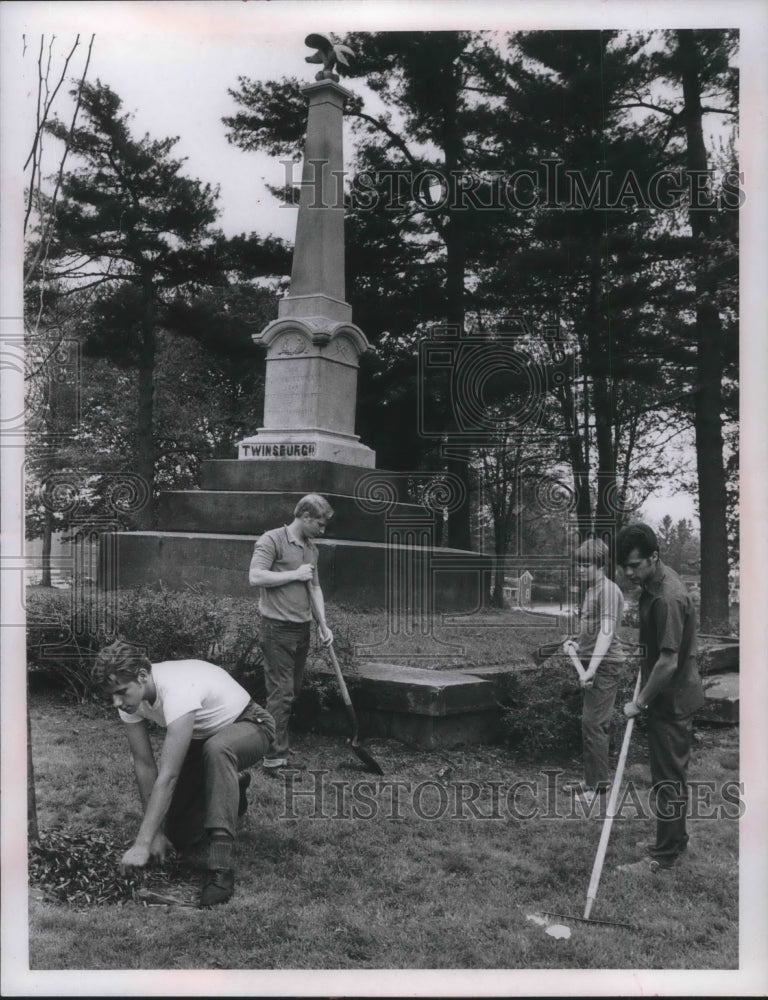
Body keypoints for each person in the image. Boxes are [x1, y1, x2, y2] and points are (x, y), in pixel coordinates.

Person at [92, 640, 276, 907]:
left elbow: (168, 775)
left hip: (250, 724)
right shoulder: (130, 701)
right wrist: (154, 834)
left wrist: (140, 845)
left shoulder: (176, 689)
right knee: (178, 836)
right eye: (112, 695)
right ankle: (232, 787)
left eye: (121, 692)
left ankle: (220, 869)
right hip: (202, 741)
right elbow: (144, 764)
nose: (116, 702)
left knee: (218, 750)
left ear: (143, 676)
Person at [614, 522, 706, 874]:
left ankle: (663, 856)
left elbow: (668, 662)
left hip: (672, 699)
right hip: (667, 695)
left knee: (669, 779)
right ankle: (674, 840)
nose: (627, 573)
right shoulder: (652, 584)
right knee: (669, 776)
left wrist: (639, 703)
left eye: (634, 565)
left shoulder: (668, 597)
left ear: (654, 557)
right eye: (624, 566)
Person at [249, 494, 334, 770]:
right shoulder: (271, 540)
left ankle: (277, 744)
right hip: (277, 629)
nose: (322, 531)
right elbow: (256, 576)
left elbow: (316, 587)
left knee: (291, 691)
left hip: (302, 628)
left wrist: (323, 624)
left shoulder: (312, 548)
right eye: (319, 525)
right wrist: (294, 574)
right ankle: (274, 757)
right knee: (281, 693)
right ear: (305, 517)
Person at [561, 538, 626, 806]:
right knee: (589, 723)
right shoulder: (591, 590)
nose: (580, 570)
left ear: (600, 565)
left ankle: (598, 788)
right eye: (578, 565)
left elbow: (607, 632)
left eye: (585, 565)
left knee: (594, 724)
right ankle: (591, 780)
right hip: (591, 664)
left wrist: (592, 669)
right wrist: (577, 642)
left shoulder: (608, 591)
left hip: (605, 665)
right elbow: (592, 628)